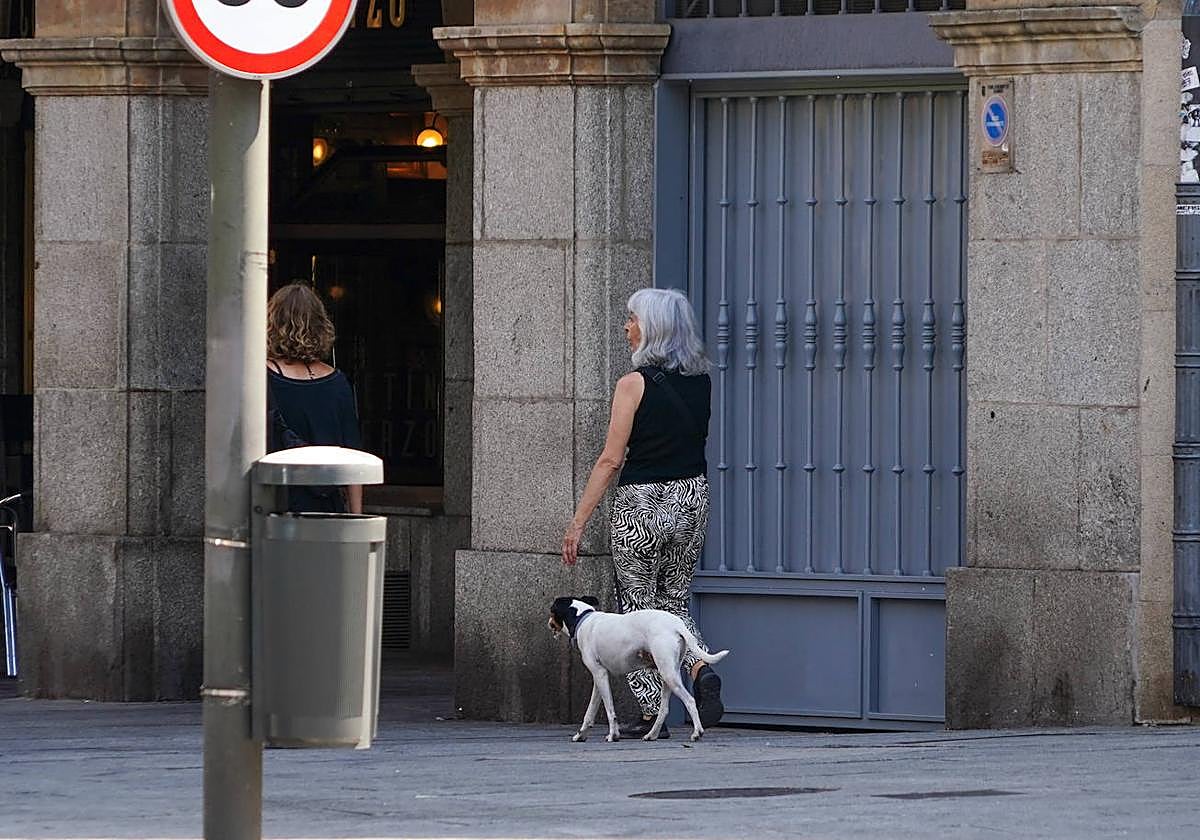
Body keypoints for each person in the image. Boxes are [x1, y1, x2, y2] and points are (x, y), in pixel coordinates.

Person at [562, 287, 723, 739]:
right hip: (692, 497)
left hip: (641, 504)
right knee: (672, 602)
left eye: (632, 319)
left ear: (652, 328)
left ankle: (653, 712)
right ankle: (697, 669)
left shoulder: (632, 385)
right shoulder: (702, 382)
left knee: (636, 608)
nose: (627, 327)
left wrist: (578, 522)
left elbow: (611, 460)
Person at [266, 282, 364, 514]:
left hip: (279, 507)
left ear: (273, 322)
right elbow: (353, 456)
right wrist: (356, 517)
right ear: (320, 325)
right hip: (328, 508)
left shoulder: (261, 377)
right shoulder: (338, 382)